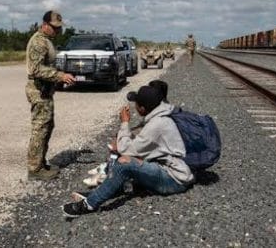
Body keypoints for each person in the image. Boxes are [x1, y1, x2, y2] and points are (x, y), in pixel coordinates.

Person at [62, 85, 194, 217]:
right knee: (128, 162)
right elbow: (138, 144)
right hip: (170, 171)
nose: (134, 107)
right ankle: (102, 191)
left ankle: (89, 204)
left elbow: (126, 150)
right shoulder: (161, 118)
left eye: (136, 103)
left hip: (174, 180)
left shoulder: (156, 124)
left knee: (124, 162)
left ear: (142, 108)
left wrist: (124, 123)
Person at [82, 79, 171, 187]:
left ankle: (108, 174)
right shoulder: (162, 109)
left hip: (158, 160)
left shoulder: (161, 117)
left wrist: (125, 123)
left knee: (120, 144)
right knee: (121, 137)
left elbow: (139, 143)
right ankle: (107, 167)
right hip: (156, 150)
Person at [25, 10, 76, 181]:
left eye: (59, 28)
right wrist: (60, 76)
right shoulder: (39, 42)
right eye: (55, 28)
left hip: (45, 91)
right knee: (40, 129)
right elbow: (36, 69)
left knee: (47, 126)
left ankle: (40, 162)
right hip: (38, 91)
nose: (58, 31)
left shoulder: (47, 40)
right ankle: (34, 168)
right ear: (45, 25)